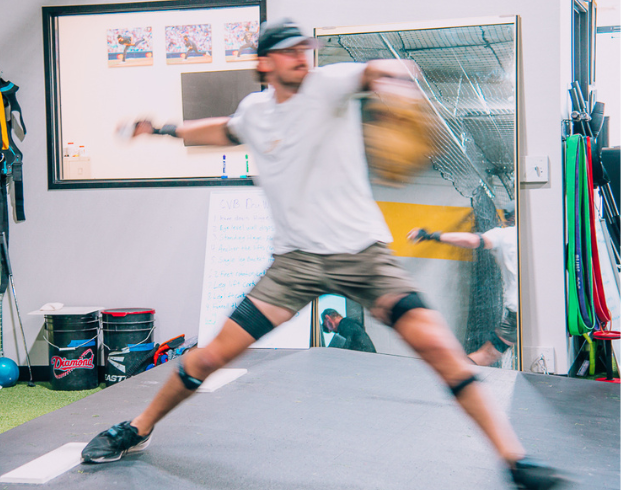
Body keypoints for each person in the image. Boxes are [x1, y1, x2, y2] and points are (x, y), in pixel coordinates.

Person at [82, 18, 564, 489]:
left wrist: (398, 78)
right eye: (290, 51)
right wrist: (163, 130)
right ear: (265, 62)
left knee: (442, 352)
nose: (301, 57)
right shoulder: (256, 110)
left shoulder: (327, 84)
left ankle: (515, 460)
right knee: (210, 357)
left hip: (364, 257)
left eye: (304, 49)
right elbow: (224, 130)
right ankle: (137, 428)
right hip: (295, 265)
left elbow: (373, 71)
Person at [408, 203, 518, 367]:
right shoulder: (544, 232)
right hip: (537, 312)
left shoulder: (503, 235)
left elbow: (473, 240)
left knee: (486, 355)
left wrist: (433, 236)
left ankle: (456, 377)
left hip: (516, 315)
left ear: (511, 217)